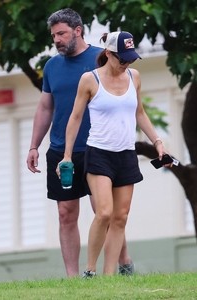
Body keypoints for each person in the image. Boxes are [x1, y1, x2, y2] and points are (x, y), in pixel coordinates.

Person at [26, 8, 134, 277]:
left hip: (99, 147)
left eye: (61, 34)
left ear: (78, 30)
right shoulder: (51, 66)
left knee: (105, 212)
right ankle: (74, 279)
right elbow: (45, 108)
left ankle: (124, 264)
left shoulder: (102, 58)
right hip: (62, 150)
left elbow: (126, 96)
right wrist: (33, 146)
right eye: (53, 36)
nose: (57, 40)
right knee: (66, 212)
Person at [58, 31, 170, 277]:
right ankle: (89, 271)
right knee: (105, 212)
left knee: (120, 217)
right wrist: (66, 155)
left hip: (126, 154)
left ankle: (109, 277)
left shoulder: (134, 76)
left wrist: (158, 141)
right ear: (108, 53)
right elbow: (75, 117)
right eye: (122, 59)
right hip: (99, 153)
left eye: (130, 59)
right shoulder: (90, 80)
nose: (126, 64)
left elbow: (139, 113)